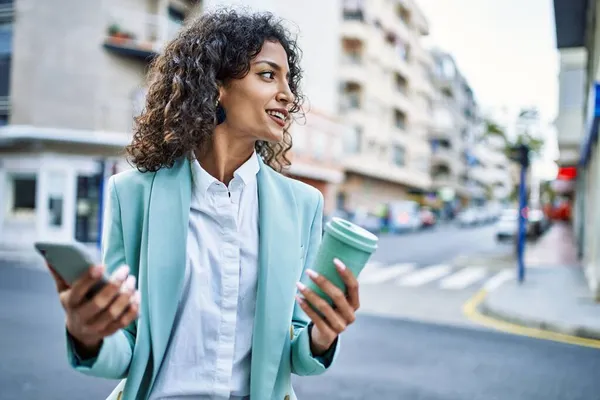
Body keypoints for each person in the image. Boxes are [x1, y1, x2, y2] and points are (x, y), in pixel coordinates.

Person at [46, 9, 361, 400]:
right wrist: (87, 334)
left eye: (288, 80)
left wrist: (322, 334)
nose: (288, 94)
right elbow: (127, 347)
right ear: (215, 85)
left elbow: (297, 353)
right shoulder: (131, 195)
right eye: (268, 74)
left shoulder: (303, 204)